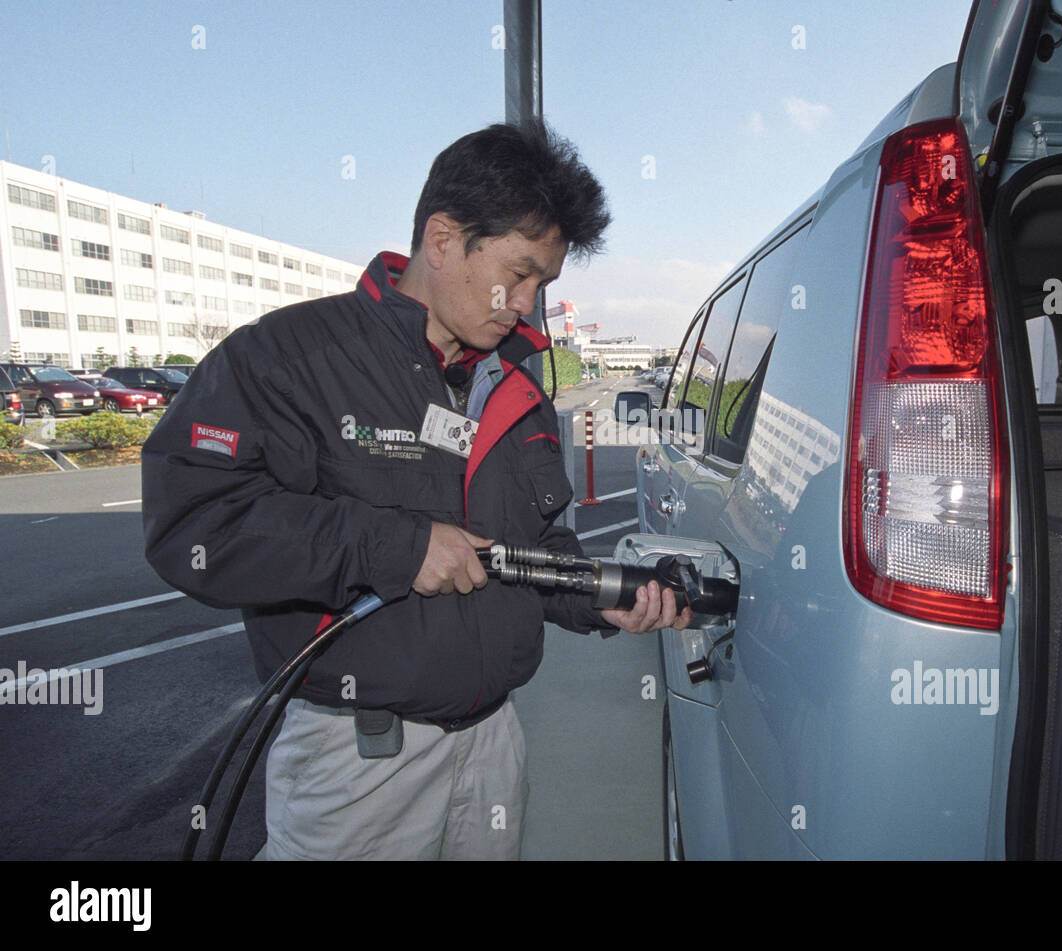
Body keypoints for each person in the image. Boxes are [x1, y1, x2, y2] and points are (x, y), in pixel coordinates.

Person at [141, 121, 691, 860]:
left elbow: (525, 553)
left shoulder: (516, 384)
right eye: (518, 274)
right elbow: (193, 524)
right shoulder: (290, 357)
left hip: (495, 744)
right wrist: (395, 547)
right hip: (359, 762)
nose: (527, 306)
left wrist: (604, 598)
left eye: (544, 286)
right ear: (442, 240)